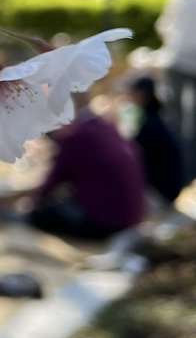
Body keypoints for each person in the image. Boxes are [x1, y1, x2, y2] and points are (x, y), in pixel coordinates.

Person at [28, 96, 146, 240]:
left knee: (38, 214)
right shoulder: (108, 128)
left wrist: (30, 200)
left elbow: (50, 184)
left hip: (106, 224)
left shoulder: (76, 137)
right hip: (133, 219)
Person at [129, 76, 185, 204]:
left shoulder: (152, 123)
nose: (131, 96)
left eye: (134, 92)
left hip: (162, 190)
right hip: (169, 186)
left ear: (143, 94)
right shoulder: (157, 117)